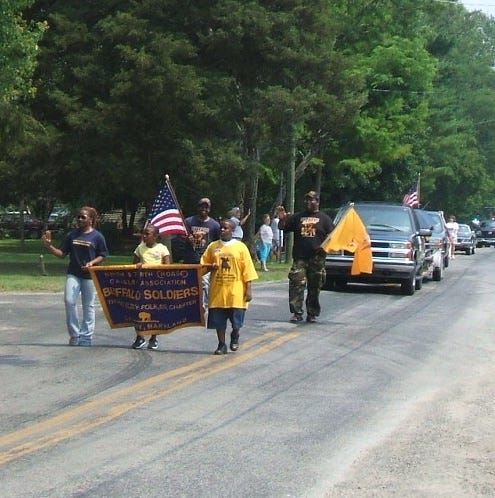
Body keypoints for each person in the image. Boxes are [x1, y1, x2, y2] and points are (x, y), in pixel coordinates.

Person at [41, 206, 108, 346]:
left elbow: (103, 254)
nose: (79, 219)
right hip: (74, 273)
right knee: (69, 301)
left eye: (83, 217)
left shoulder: (97, 236)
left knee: (88, 305)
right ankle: (75, 335)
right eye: (78, 217)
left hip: (90, 276)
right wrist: (49, 247)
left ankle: (86, 337)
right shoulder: (72, 235)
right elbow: (62, 254)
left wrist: (92, 263)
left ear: (91, 220)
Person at [200, 219, 258, 354]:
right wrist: (210, 266)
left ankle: (235, 335)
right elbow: (203, 266)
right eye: (221, 228)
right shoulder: (213, 247)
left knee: (236, 321)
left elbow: (247, 268)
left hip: (236, 291)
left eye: (225, 228)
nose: (222, 230)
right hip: (218, 290)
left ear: (232, 230)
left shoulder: (240, 247)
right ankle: (221, 344)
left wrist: (249, 289)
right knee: (218, 321)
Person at [277, 191, 334, 323]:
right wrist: (282, 218)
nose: (308, 202)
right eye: (306, 200)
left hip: (317, 259)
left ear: (317, 202)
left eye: (311, 200)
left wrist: (325, 247)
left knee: (314, 286)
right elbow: (282, 227)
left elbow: (333, 236)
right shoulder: (298, 217)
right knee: (296, 284)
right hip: (300, 257)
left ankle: (312, 313)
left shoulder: (325, 219)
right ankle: (297, 313)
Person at [131, 225, 171, 350]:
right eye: (144, 233)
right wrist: (138, 265)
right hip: (142, 284)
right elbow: (133, 264)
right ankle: (140, 337)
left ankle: (153, 338)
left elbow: (168, 266)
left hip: (156, 285)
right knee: (139, 310)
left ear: (155, 236)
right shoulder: (140, 248)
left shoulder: (162, 249)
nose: (144, 236)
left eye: (147, 234)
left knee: (155, 311)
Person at [182, 197, 221, 309]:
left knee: (204, 283)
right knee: (189, 283)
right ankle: (189, 305)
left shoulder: (215, 225)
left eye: (206, 206)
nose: (204, 208)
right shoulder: (189, 221)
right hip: (190, 258)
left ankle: (203, 307)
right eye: (201, 206)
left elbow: (217, 243)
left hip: (206, 259)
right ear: (197, 207)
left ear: (209, 209)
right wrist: (187, 239)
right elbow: (180, 237)